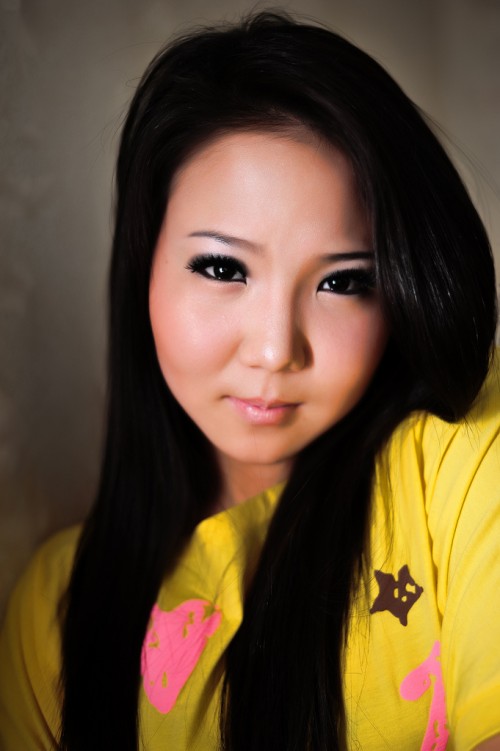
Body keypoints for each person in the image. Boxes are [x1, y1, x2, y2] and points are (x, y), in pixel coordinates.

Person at [0, 10, 498, 751]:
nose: (274, 350)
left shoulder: (463, 463)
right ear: (145, 265)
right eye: (223, 267)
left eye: (343, 282)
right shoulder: (56, 613)